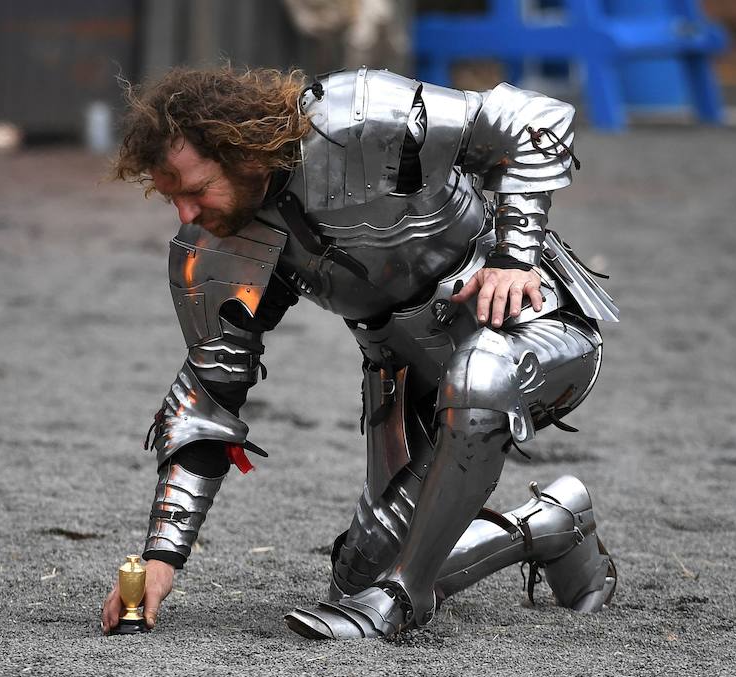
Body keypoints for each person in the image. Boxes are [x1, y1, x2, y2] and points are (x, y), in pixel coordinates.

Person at [100, 66, 619, 640]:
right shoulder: (215, 247)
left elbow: (531, 118)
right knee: (359, 576)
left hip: (534, 330)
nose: (186, 214)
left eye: (196, 190)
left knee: (480, 377)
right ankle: (550, 524)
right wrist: (161, 559)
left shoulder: (356, 118)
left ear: (243, 152)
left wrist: (514, 258)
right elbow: (206, 402)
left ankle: (402, 598)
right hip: (408, 378)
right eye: (172, 197)